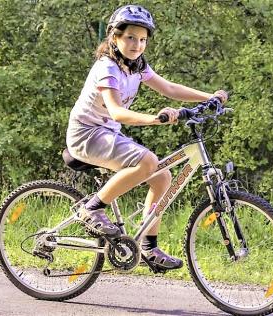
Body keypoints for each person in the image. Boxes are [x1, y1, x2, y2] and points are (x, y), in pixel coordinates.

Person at [66, 4, 228, 271]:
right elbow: (117, 112)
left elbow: (169, 89)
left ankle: (148, 247)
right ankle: (92, 209)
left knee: (162, 176)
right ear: (114, 38)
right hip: (86, 135)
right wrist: (155, 118)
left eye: (142, 40)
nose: (137, 44)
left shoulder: (137, 66)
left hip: (107, 134)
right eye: (130, 37)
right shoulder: (107, 68)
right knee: (148, 161)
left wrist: (209, 96)